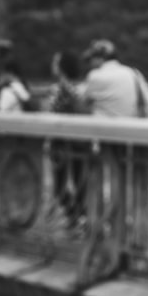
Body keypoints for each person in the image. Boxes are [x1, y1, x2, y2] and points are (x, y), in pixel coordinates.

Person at [47, 50, 89, 225]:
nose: (52, 65)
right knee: (80, 182)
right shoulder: (82, 88)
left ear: (62, 67)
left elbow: (51, 113)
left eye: (56, 62)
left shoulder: (60, 89)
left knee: (61, 184)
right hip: (80, 141)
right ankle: (79, 216)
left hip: (62, 141)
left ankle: (74, 216)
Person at [80, 39, 148, 118]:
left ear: (99, 58)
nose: (90, 64)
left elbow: (80, 102)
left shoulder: (96, 75)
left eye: (90, 59)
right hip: (132, 125)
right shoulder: (134, 73)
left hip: (104, 127)